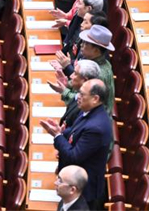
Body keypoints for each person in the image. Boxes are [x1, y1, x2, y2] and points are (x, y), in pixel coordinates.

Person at [40, 79, 114, 209]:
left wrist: (57, 136)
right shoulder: (87, 110)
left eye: (82, 94)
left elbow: (73, 156)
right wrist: (62, 132)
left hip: (84, 190)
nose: (77, 97)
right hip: (73, 182)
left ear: (95, 99)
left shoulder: (97, 127)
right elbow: (75, 130)